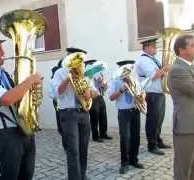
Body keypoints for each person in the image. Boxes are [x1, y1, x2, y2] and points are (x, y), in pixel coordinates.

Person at [0, 31, 42, 180]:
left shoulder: (3, 73)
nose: (3, 52)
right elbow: (5, 99)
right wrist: (30, 81)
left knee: (26, 175)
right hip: (4, 135)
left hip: (22, 130)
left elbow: (17, 97)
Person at [52, 52, 97, 180]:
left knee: (83, 148)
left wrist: (89, 92)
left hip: (84, 112)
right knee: (73, 150)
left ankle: (82, 175)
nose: (78, 64)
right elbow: (54, 93)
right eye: (75, 61)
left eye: (79, 61)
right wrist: (67, 79)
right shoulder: (60, 72)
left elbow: (95, 92)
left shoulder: (85, 73)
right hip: (68, 113)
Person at [168, 34, 194, 180]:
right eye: (193, 45)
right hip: (187, 126)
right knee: (183, 168)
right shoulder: (177, 69)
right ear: (182, 50)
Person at [133, 36, 170, 155]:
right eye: (153, 46)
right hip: (151, 93)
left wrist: (165, 70)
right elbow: (152, 76)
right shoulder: (144, 60)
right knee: (153, 120)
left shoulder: (153, 59)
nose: (156, 49)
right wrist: (164, 69)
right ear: (146, 48)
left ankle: (158, 140)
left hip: (159, 93)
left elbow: (160, 74)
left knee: (159, 119)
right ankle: (152, 145)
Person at [108, 60, 144, 174]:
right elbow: (111, 97)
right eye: (125, 70)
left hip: (135, 110)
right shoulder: (115, 81)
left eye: (128, 70)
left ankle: (134, 159)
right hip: (124, 112)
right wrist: (121, 90)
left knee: (136, 136)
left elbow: (141, 91)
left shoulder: (134, 79)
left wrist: (142, 95)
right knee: (125, 137)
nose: (127, 72)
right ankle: (124, 162)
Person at [84, 59, 112, 143]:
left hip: (100, 96)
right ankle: (95, 136)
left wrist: (102, 84)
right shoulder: (86, 77)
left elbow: (103, 89)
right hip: (92, 98)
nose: (95, 69)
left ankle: (103, 133)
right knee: (94, 117)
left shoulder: (98, 76)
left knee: (103, 116)